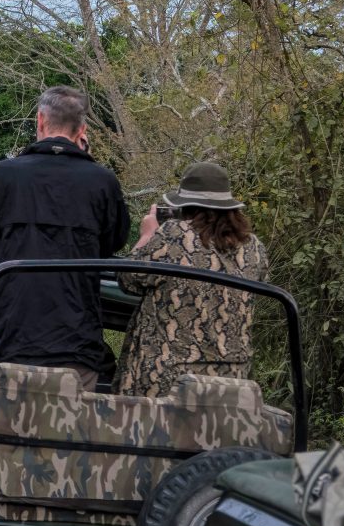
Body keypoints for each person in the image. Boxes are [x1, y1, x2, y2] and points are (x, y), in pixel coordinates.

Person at [0, 86, 130, 390]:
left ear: (40, 120)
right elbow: (112, 243)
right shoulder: (103, 182)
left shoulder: (3, 175)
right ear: (82, 129)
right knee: (70, 435)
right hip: (76, 346)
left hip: (8, 340)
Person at [114, 162, 269, 398]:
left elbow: (128, 279)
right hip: (231, 387)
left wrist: (147, 236)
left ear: (185, 206)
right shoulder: (254, 248)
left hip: (169, 384)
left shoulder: (173, 235)